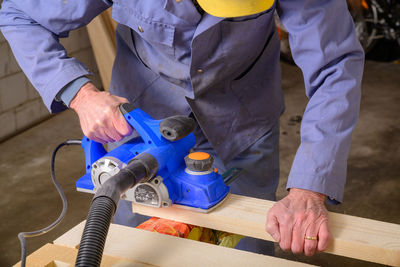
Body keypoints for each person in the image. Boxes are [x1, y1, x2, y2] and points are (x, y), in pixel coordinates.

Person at [0, 0, 364, 257]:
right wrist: (81, 94)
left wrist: (310, 187)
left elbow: (336, 64)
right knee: (138, 250)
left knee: (244, 252)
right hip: (145, 133)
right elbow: (18, 14)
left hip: (243, 124)